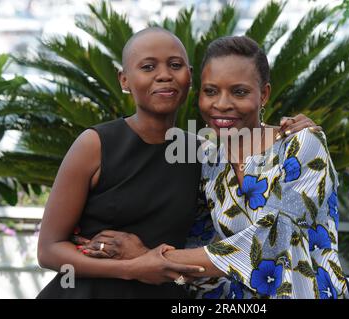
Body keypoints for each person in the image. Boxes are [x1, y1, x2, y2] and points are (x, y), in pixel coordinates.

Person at [37, 28, 316, 298]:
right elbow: (49, 250)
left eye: (175, 65)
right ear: (124, 80)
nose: (164, 76)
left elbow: (239, 237)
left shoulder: (203, 154)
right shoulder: (95, 144)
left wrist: (303, 135)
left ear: (190, 78)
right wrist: (132, 268)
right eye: (148, 67)